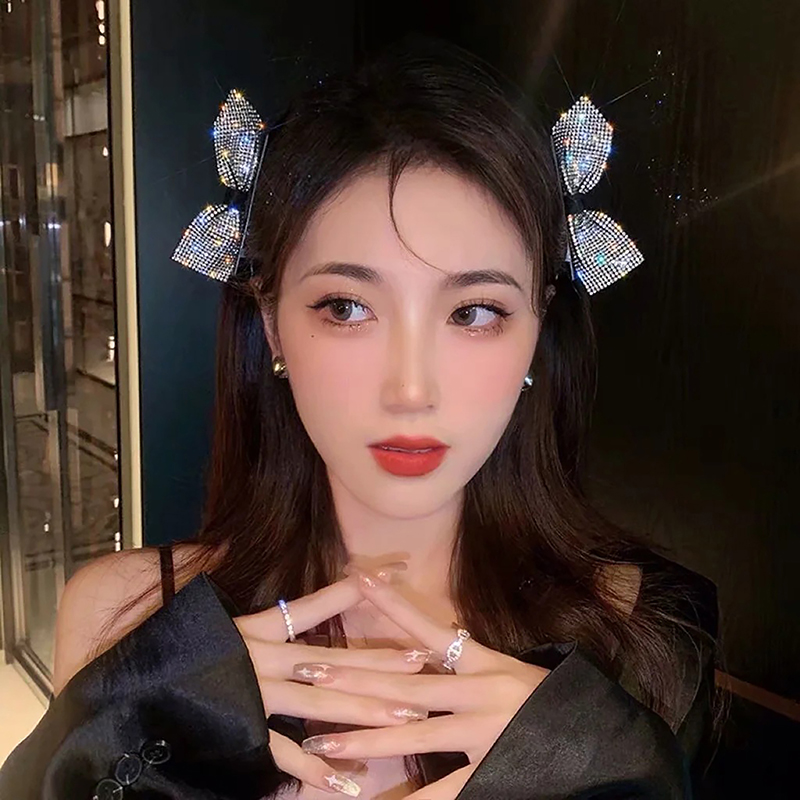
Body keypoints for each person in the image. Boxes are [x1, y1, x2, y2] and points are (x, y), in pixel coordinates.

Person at [0, 37, 719, 800]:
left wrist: (600, 766)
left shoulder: (646, 631)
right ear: (272, 325)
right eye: (346, 307)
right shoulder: (125, 619)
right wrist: (124, 742)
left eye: (474, 312)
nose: (410, 390)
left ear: (538, 329)